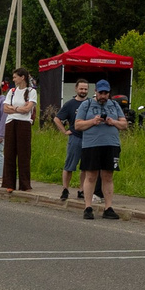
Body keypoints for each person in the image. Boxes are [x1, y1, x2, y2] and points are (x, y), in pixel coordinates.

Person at [74, 78, 125, 216]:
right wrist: (93, 121)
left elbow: (124, 124)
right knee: (91, 175)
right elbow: (77, 125)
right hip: (91, 145)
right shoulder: (86, 104)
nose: (103, 96)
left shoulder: (114, 105)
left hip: (111, 144)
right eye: (100, 93)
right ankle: (88, 207)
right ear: (96, 92)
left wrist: (113, 122)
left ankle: (108, 208)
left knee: (108, 176)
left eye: (105, 93)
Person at [0, 71, 37, 193]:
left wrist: (14, 108)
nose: (13, 79)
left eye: (15, 77)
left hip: (24, 123)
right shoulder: (12, 91)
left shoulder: (31, 92)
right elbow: (5, 109)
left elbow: (27, 109)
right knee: (9, 152)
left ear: (22, 77)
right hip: (11, 122)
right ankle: (9, 183)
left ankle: (25, 184)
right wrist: (19, 109)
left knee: (24, 154)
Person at [55, 78, 90, 200]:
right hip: (75, 138)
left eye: (85, 89)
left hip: (89, 139)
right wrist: (64, 131)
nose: (83, 91)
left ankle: (82, 190)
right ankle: (65, 189)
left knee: (85, 167)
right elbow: (57, 119)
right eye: (81, 89)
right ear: (76, 89)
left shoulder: (91, 103)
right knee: (69, 165)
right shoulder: (70, 104)